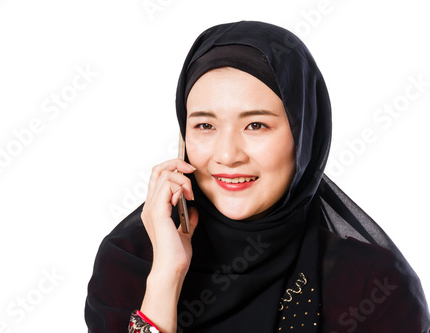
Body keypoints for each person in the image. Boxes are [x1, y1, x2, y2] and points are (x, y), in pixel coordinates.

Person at [84, 21, 430, 332]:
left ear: (304, 135)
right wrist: (166, 278)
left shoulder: (372, 285)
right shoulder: (130, 263)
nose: (227, 155)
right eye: (205, 125)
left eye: (256, 125)